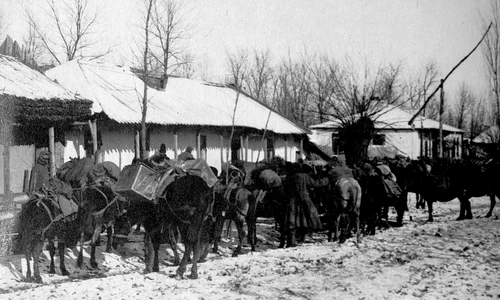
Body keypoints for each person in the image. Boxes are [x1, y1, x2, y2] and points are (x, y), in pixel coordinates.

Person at [283, 162, 329, 248]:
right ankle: (304, 236)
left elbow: (285, 189)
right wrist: (326, 180)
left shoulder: (288, 178)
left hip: (292, 200)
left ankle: (292, 240)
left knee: (292, 219)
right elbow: (315, 184)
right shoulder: (304, 176)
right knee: (308, 216)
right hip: (304, 199)